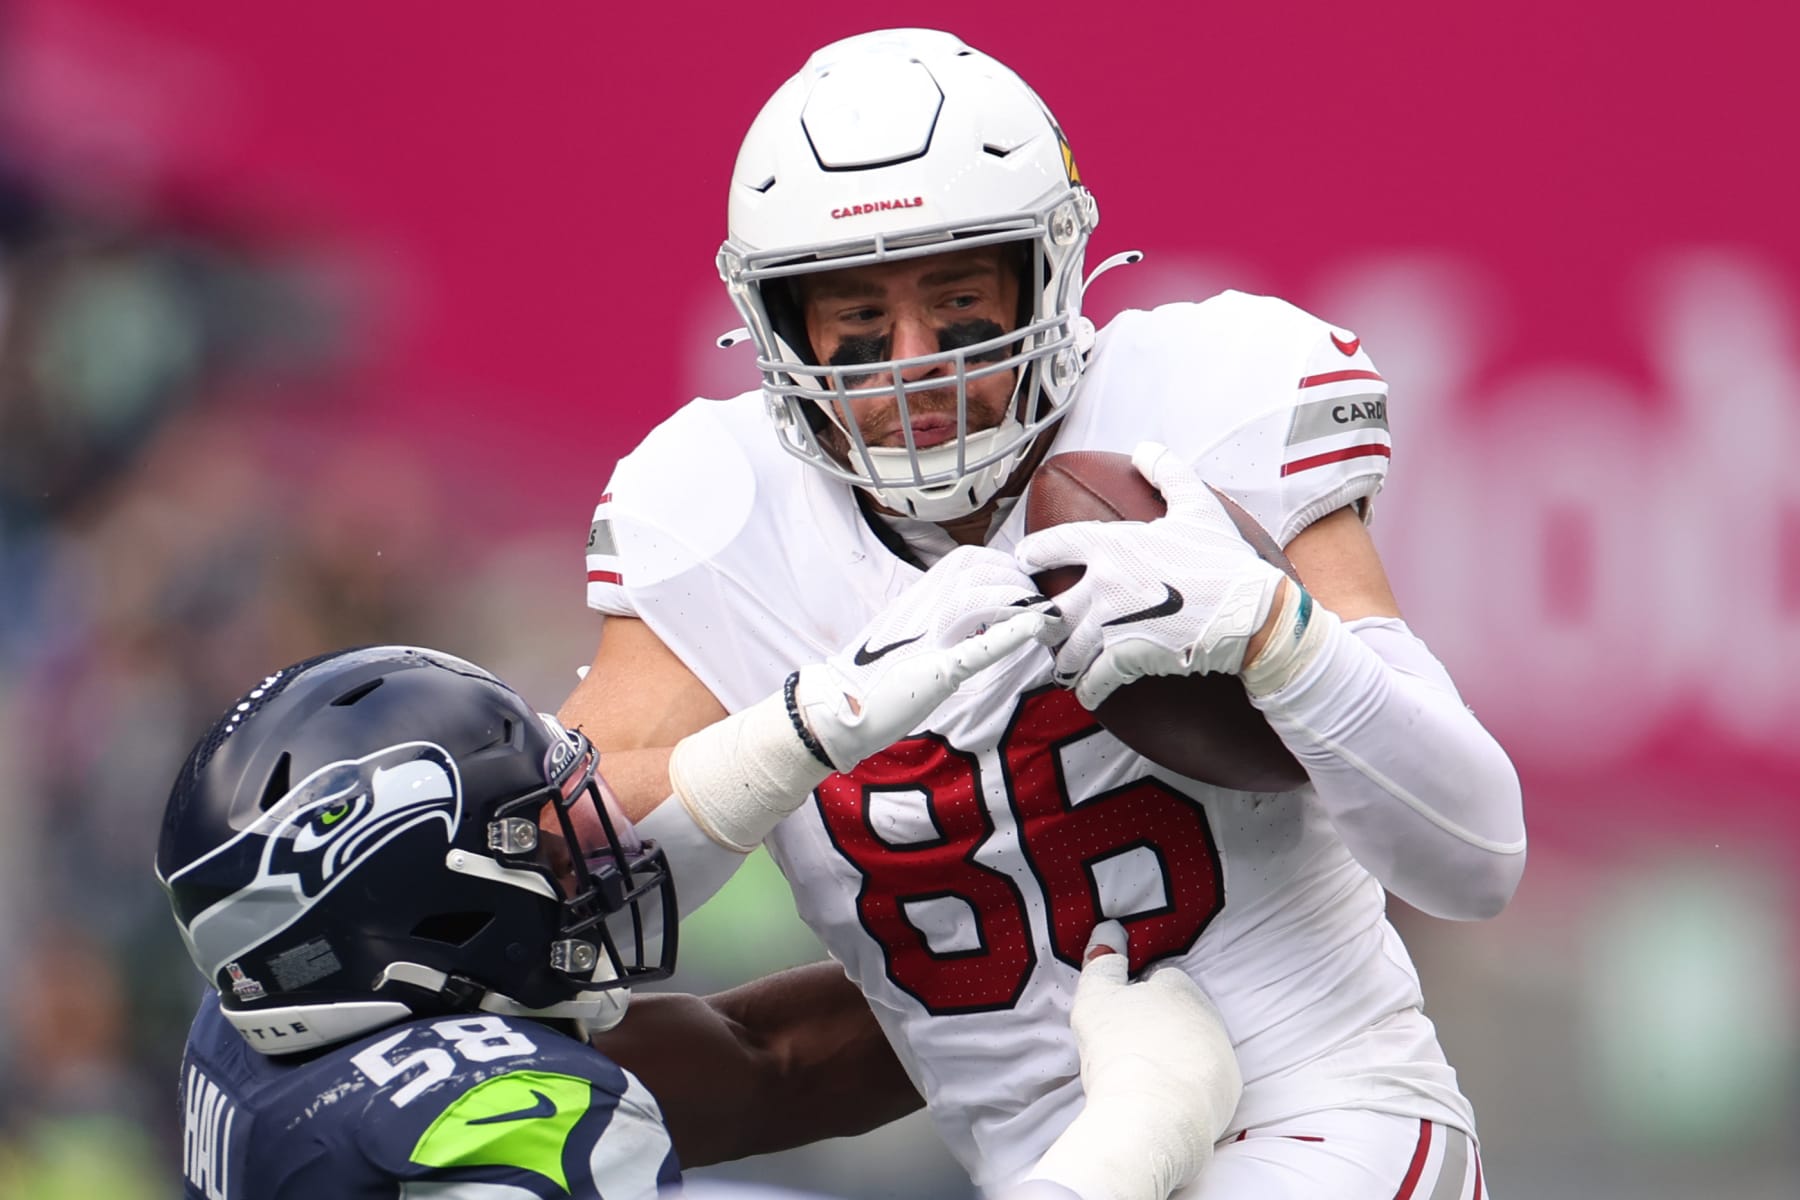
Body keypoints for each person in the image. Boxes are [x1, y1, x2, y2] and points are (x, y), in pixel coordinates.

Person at [559, 27, 1526, 1200]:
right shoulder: (722, 511)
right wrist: (807, 726)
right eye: (857, 316)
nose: (910, 364)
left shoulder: (1198, 405)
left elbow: (1476, 854)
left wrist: (1280, 637)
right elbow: (572, 886)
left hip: (1330, 1119)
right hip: (1050, 1166)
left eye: (957, 297)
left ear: (1048, 270)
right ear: (778, 323)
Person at [156, 643, 1242, 1200]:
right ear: (419, 906)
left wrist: (793, 736)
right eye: (532, 838)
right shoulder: (516, 1126)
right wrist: (1123, 1150)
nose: (584, 856)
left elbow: (768, 1062)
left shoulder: (259, 1016)